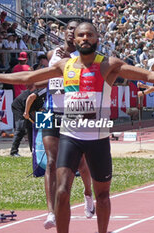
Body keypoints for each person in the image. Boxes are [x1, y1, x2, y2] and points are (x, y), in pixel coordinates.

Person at [0, 22, 154, 233]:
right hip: (70, 137)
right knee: (62, 191)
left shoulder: (108, 64)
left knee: (103, 196)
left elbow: (147, 76)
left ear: (97, 38)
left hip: (97, 139)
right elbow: (29, 77)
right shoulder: (65, 65)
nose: (85, 38)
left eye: (90, 34)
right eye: (81, 35)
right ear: (74, 40)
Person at [36, 19, 95, 229]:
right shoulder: (52, 55)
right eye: (69, 29)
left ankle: (88, 194)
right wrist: (56, 73)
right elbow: (38, 81)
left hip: (75, 111)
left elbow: (85, 82)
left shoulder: (86, 56)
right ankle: (51, 212)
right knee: (51, 162)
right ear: (64, 32)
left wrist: (68, 64)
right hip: (49, 110)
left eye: (76, 30)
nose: (72, 33)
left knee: (81, 163)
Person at [10, 88, 47, 157]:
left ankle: (33, 150)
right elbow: (31, 97)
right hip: (20, 106)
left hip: (31, 107)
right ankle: (13, 151)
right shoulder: (45, 89)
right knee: (21, 128)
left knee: (31, 128)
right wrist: (26, 112)